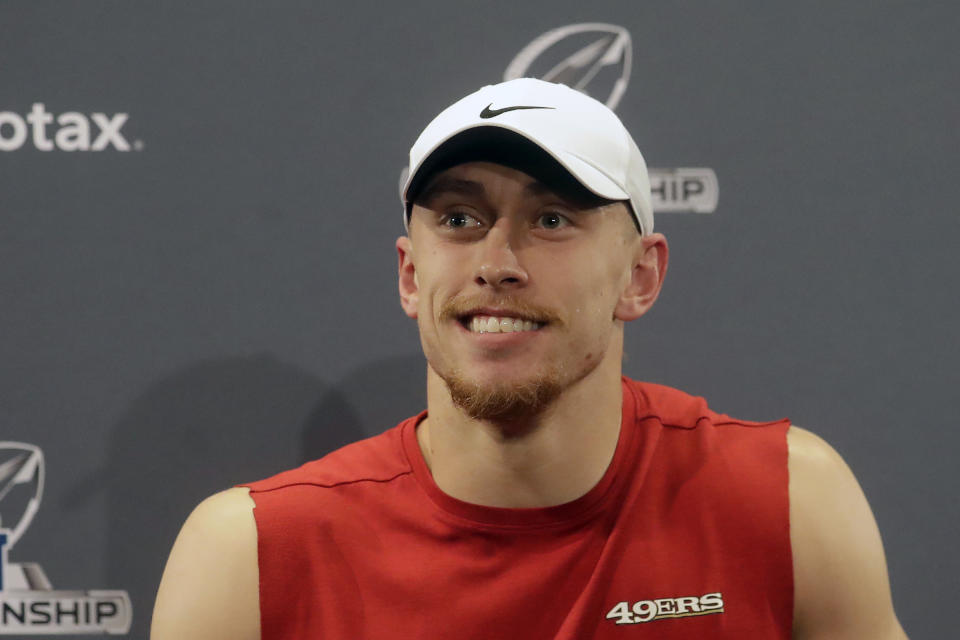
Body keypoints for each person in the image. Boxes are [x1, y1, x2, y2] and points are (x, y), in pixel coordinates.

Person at [151, 78, 908, 639]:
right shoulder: (249, 556)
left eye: (551, 218)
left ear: (640, 275)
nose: (497, 261)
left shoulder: (786, 500)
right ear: (412, 275)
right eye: (458, 218)